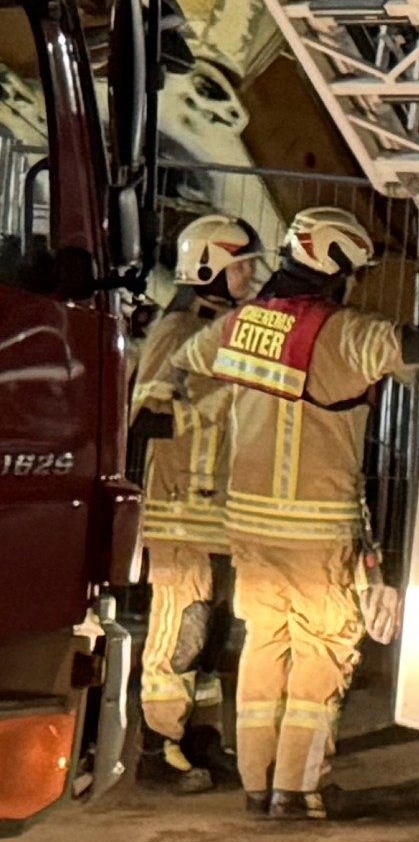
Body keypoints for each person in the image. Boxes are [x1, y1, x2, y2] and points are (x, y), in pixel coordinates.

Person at [170, 204, 419, 821]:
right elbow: (412, 349)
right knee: (322, 655)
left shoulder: (243, 325)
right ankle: (297, 789)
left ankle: (256, 783)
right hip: (317, 528)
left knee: (266, 649)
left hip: (247, 524)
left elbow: (189, 362)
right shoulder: (346, 331)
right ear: (337, 269)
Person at [130, 210, 263, 791]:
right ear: (210, 265)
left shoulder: (224, 329)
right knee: (178, 635)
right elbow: (144, 421)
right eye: (243, 265)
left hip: (218, 515)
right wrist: (211, 406)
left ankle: (200, 740)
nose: (252, 275)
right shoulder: (178, 331)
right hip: (181, 512)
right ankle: (158, 749)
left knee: (208, 639)